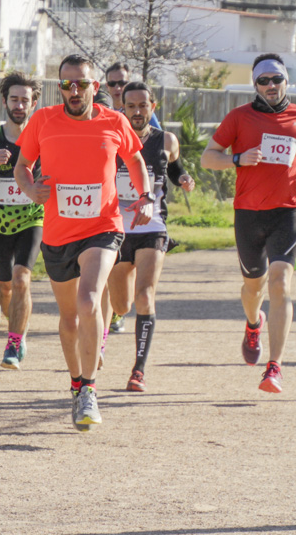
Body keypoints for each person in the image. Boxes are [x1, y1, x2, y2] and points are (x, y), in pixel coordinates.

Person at [13, 54, 154, 431]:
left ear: (95, 86)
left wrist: (145, 196)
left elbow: (136, 161)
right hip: (58, 233)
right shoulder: (43, 120)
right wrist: (30, 189)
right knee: (70, 319)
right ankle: (76, 382)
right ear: (60, 87)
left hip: (103, 227)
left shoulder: (115, 121)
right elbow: (21, 167)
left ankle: (89, 388)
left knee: (90, 299)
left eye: (82, 84)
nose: (74, 91)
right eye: (67, 84)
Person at [200, 53, 296, 393]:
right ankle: (253, 323)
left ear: (286, 82)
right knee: (253, 286)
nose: (270, 86)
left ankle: (275, 367)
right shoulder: (239, 118)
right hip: (249, 213)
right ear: (255, 84)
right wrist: (237, 158)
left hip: (289, 209)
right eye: (263, 80)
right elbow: (208, 157)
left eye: (276, 79)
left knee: (280, 283)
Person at [99, 81, 195, 392]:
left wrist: (183, 177)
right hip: (117, 228)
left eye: (143, 106)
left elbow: (173, 167)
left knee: (145, 296)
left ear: (152, 107)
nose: (137, 111)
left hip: (153, 227)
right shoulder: (110, 140)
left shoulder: (166, 139)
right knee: (122, 303)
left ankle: (138, 370)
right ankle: (106, 330)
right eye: (131, 106)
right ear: (122, 109)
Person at [0, 72, 45, 370]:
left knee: (21, 279)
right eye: (14, 99)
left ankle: (14, 342)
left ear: (34, 103)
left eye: (25, 100)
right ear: (4, 101)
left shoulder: (43, 137)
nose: (19, 105)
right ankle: (16, 328)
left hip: (33, 219)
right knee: (4, 288)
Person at [103, 62, 161, 334]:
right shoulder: (104, 115)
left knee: (143, 292)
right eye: (113, 84)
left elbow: (159, 153)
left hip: (146, 213)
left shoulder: (143, 114)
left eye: (122, 83)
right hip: (113, 213)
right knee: (120, 299)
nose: (118, 88)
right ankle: (113, 310)